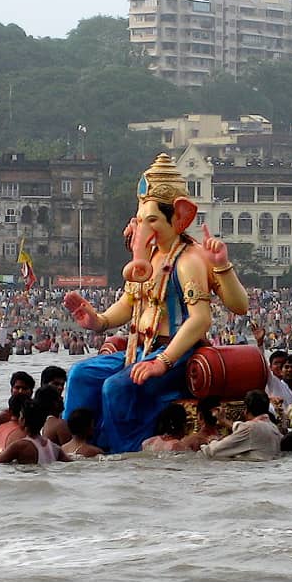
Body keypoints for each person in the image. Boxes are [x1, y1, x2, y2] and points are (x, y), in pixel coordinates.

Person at [63, 153, 248, 453]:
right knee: (80, 374)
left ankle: (121, 451)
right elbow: (129, 302)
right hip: (140, 349)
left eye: (152, 220)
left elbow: (202, 319)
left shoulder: (188, 260)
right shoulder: (148, 256)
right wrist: (99, 320)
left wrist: (162, 363)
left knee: (116, 387)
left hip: (176, 353)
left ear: (178, 217)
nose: (143, 228)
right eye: (139, 220)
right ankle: (77, 443)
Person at [201, 390, 282, 460]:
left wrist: (212, 441)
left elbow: (214, 451)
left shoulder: (250, 428)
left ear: (246, 410)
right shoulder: (273, 427)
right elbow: (243, 428)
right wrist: (224, 421)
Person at [0, 400, 71, 465]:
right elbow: (71, 464)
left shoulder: (20, 446)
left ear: (23, 420)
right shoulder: (55, 448)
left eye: (20, 416)